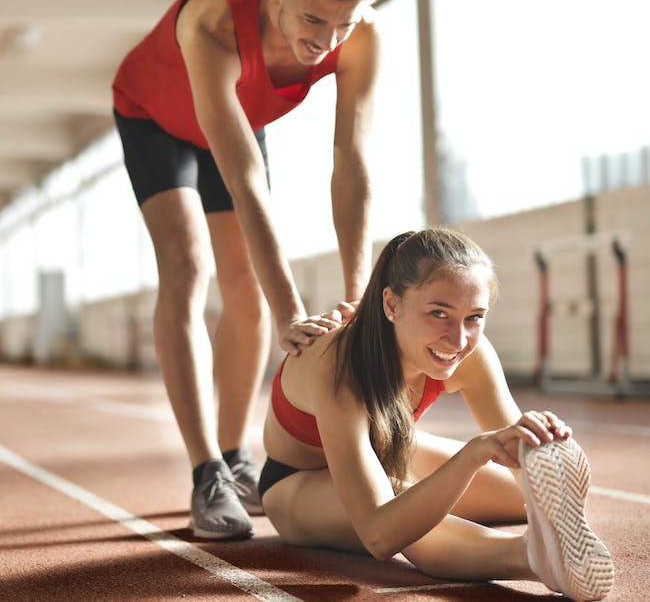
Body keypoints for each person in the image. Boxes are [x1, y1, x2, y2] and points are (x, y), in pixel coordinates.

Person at [111, 0, 380, 540]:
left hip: (236, 117)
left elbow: (351, 161)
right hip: (154, 117)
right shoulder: (210, 20)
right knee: (187, 267)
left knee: (246, 286)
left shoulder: (359, 36)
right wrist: (292, 316)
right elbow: (244, 181)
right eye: (314, 21)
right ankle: (205, 471)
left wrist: (358, 299)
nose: (327, 42)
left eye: (343, 25)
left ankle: (236, 457)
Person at [259, 228, 615, 601]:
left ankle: (551, 540)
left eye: (474, 317)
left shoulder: (469, 353)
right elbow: (379, 535)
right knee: (400, 509)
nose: (458, 340)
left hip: (388, 448)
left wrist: (533, 441)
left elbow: (517, 457)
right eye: (438, 313)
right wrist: (472, 455)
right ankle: (531, 557)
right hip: (296, 481)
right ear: (392, 305)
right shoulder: (341, 368)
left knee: (522, 493)